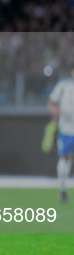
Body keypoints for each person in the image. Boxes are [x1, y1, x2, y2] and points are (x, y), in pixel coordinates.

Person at [47, 67, 74, 203]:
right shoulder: (63, 86)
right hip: (67, 130)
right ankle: (62, 189)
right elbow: (51, 103)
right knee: (65, 159)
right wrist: (55, 111)